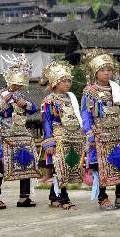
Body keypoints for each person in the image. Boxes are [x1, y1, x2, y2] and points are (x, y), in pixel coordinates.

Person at [80, 49, 120, 210]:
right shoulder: (89, 91)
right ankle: (102, 198)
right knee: (99, 166)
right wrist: (89, 133)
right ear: (95, 73)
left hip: (118, 133)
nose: (106, 73)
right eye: (102, 70)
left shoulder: (116, 89)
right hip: (99, 134)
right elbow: (86, 113)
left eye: (109, 70)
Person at [0, 54, 38, 210]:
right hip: (4, 134)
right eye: (17, 81)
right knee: (0, 165)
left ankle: (24, 197)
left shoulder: (21, 96)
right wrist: (2, 103)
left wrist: (25, 104)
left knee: (26, 161)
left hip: (21, 134)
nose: (19, 85)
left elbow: (33, 109)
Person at [38, 60, 82, 211]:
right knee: (60, 167)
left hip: (73, 136)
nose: (68, 83)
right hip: (58, 137)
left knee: (66, 167)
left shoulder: (71, 99)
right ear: (56, 82)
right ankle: (64, 199)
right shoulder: (49, 101)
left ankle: (53, 197)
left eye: (69, 80)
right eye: (64, 81)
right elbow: (46, 122)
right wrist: (49, 142)